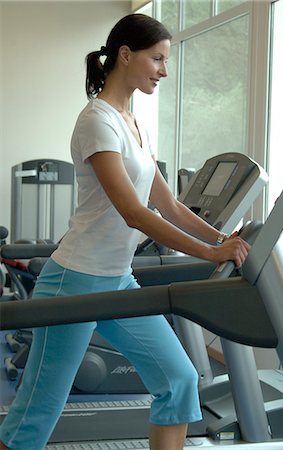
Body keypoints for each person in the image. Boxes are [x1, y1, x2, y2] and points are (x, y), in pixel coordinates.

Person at [0, 13, 250, 450]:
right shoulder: (96, 121)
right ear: (125, 54)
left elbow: (168, 204)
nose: (164, 70)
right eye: (157, 59)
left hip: (117, 279)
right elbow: (134, 212)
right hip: (74, 282)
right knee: (35, 417)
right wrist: (209, 255)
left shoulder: (133, 122)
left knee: (178, 380)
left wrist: (220, 240)